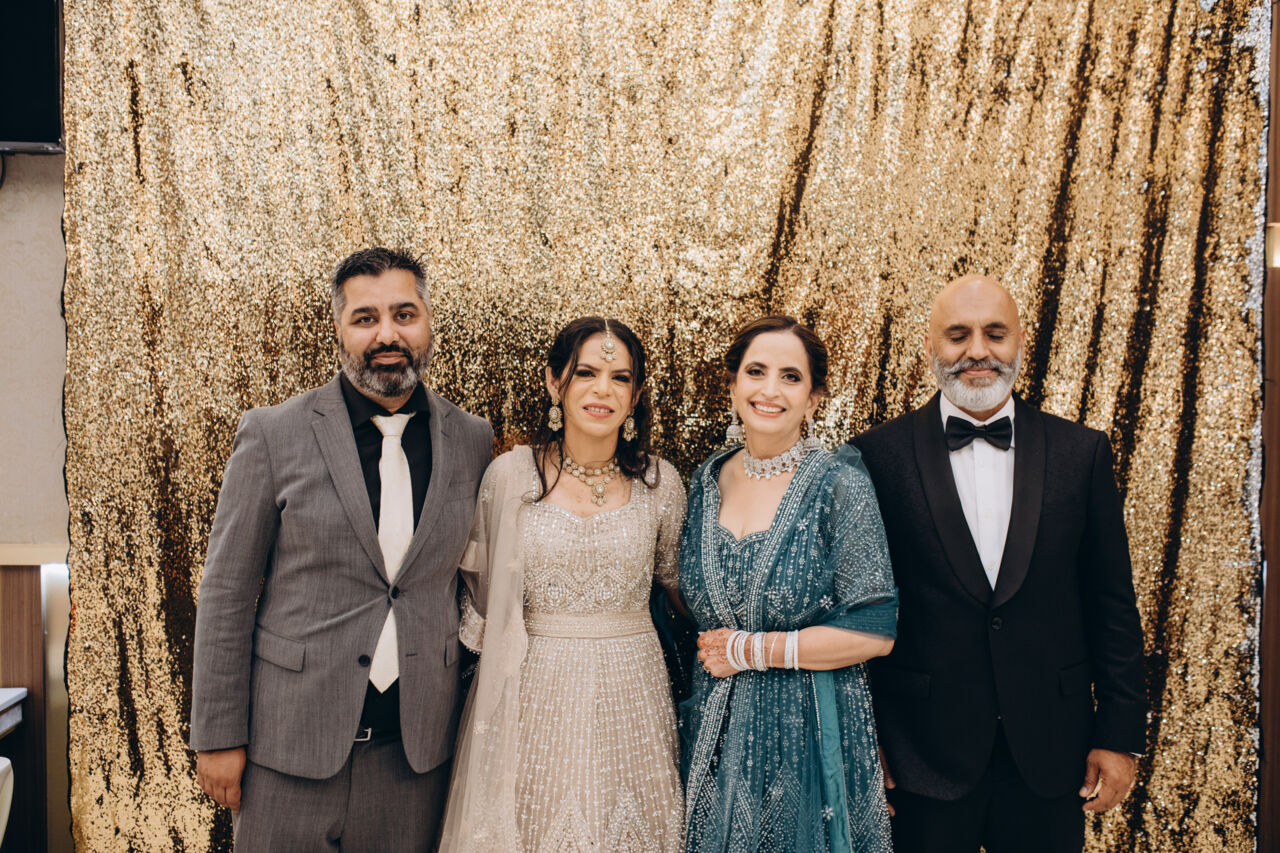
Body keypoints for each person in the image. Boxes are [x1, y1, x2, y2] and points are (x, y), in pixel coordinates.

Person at [189, 247, 494, 850]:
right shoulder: (273, 434)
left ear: (428, 322)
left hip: (417, 756)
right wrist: (217, 736)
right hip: (287, 751)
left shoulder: (472, 438)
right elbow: (226, 592)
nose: (388, 334)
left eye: (404, 314)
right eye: (365, 318)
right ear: (338, 330)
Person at [850, 274, 1146, 852]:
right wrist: (863, 741)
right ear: (930, 345)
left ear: (1019, 341)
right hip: (918, 756)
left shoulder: (1082, 453)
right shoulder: (873, 456)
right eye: (958, 334)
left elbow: (1111, 603)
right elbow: (856, 610)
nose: (978, 350)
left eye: (995, 333)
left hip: (1053, 753)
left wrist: (1119, 735)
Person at [439, 317, 687, 852]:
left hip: (633, 691)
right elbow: (480, 610)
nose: (603, 390)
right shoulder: (510, 477)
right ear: (555, 383)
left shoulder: (660, 483)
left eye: (620, 378)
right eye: (586, 373)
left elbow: (681, 591)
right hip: (534, 692)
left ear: (636, 395)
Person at [679, 315, 898, 853]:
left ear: (814, 398)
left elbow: (875, 631)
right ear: (733, 385)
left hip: (807, 729)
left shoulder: (839, 485)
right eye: (756, 371)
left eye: (791, 377)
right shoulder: (706, 480)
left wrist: (749, 649)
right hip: (714, 730)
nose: (770, 390)